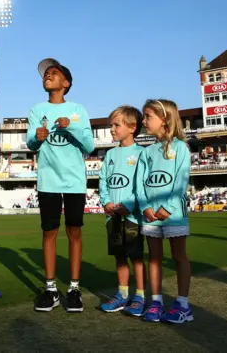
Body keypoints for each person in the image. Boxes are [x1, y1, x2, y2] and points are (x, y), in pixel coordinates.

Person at [26, 58, 94, 313]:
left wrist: (71, 126)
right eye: (45, 74)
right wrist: (37, 137)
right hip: (48, 180)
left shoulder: (78, 109)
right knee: (49, 232)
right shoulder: (36, 109)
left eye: (53, 73)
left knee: (74, 232)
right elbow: (31, 144)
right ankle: (51, 289)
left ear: (66, 83)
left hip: (75, 181)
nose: (48, 76)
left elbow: (89, 146)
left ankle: (74, 289)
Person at [135, 99, 192, 323]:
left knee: (179, 257)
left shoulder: (180, 148)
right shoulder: (147, 152)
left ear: (165, 119)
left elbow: (181, 180)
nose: (144, 120)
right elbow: (140, 184)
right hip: (150, 215)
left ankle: (183, 304)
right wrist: (146, 206)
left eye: (148, 116)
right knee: (155, 259)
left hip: (174, 214)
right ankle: (156, 301)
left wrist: (167, 207)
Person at [98, 106, 146, 316]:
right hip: (113, 217)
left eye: (117, 125)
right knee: (119, 256)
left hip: (133, 216)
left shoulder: (142, 153)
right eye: (112, 125)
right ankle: (122, 294)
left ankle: (141, 296)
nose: (112, 129)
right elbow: (103, 182)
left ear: (132, 127)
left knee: (136, 256)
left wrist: (131, 205)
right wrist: (106, 201)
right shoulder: (109, 154)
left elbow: (143, 185)